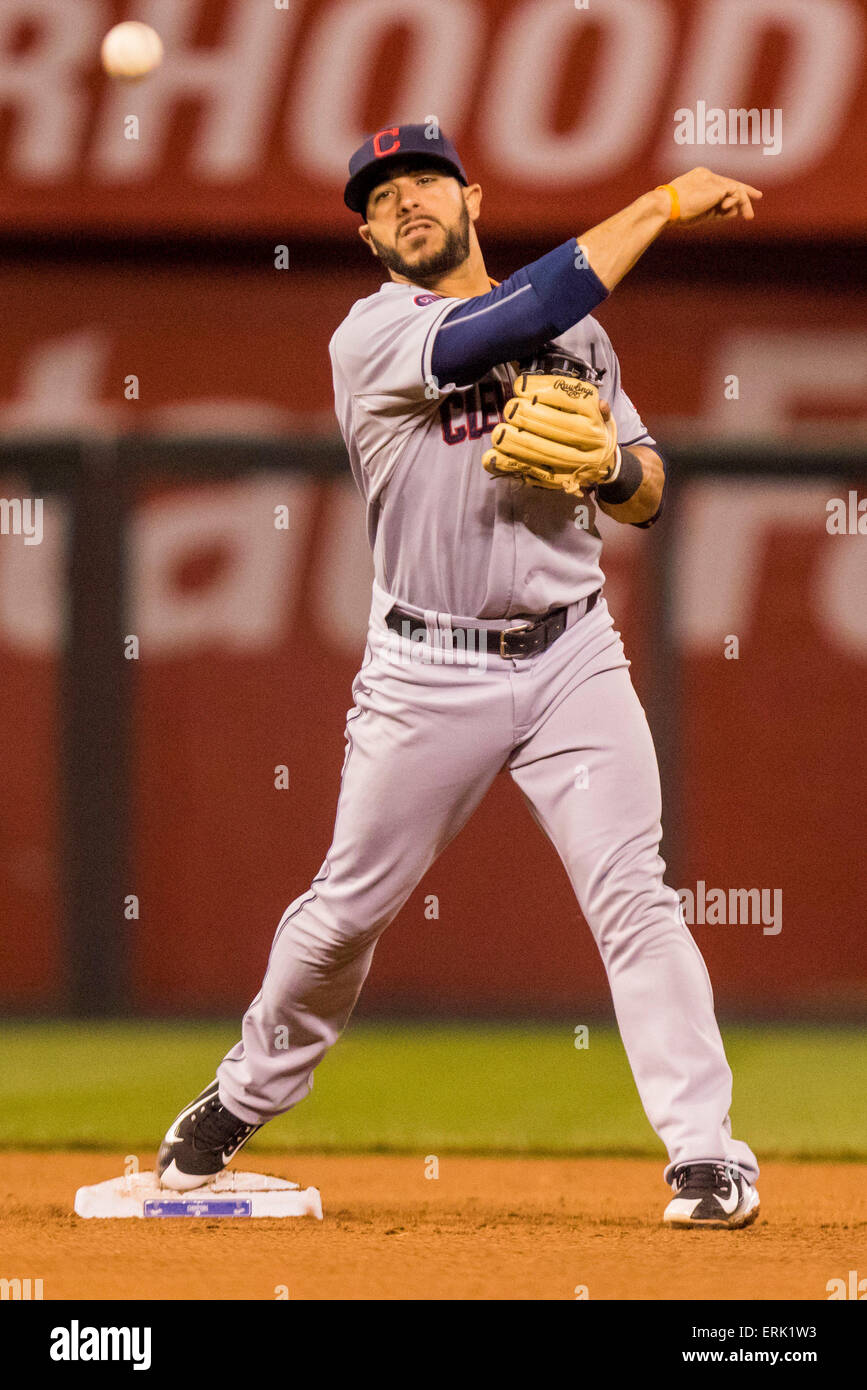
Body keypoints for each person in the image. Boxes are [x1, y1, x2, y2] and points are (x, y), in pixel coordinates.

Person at [156, 125, 762, 1229]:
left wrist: (612, 465)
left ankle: (706, 1153)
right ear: (368, 235)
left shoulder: (579, 335)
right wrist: (663, 204)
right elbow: (510, 319)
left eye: (425, 180)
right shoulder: (374, 335)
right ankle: (239, 1097)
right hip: (427, 668)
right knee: (345, 911)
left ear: (471, 196)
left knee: (635, 896)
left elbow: (651, 491)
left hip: (575, 651)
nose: (405, 201)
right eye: (381, 198)